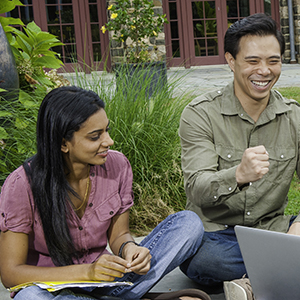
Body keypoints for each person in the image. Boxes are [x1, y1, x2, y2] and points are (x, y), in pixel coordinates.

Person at [0, 86, 211, 300]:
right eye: (95, 136)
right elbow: (11, 274)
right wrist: (87, 272)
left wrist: (130, 249)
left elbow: (119, 236)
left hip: (109, 281)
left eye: (106, 130)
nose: (108, 141)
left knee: (188, 223)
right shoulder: (21, 185)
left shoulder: (117, 165)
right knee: (30, 297)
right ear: (63, 143)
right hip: (51, 287)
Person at [178, 13, 300, 300]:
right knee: (205, 259)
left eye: (274, 61)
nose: (265, 71)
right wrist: (238, 175)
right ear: (231, 61)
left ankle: (251, 286)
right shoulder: (200, 114)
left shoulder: (295, 117)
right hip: (216, 235)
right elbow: (196, 188)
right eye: (253, 61)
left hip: (273, 231)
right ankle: (282, 272)